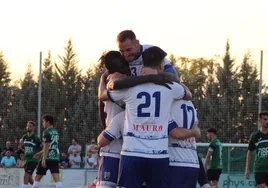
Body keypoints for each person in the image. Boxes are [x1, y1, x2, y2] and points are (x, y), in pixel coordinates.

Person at [106, 46, 191, 188]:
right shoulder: (170, 87)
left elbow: (106, 92)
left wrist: (107, 79)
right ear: (161, 65)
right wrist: (161, 76)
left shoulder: (129, 87)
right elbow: (188, 94)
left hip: (132, 152)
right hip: (159, 154)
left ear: (143, 66)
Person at [32, 114, 63, 188]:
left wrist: (43, 159)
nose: (42, 123)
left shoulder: (46, 132)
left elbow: (47, 145)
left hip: (47, 158)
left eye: (43, 121)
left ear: (48, 122)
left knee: (37, 178)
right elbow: (51, 146)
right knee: (57, 179)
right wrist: (39, 153)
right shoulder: (56, 132)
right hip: (55, 158)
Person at [245, 111, 268, 188]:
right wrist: (247, 169)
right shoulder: (255, 136)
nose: (267, 121)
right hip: (259, 169)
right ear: (259, 121)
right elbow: (250, 152)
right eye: (265, 119)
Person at [21, 121, 42, 188]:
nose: (28, 127)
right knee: (29, 179)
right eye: (27, 126)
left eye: (30, 126)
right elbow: (25, 148)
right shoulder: (24, 137)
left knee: (25, 177)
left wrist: (38, 156)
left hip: (33, 160)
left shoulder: (36, 138)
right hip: (26, 160)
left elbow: (42, 148)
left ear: (33, 128)